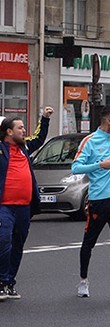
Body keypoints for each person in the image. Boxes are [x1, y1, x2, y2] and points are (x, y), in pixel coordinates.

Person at [0, 103, 52, 286]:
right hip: (2, 206)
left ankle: (10, 281)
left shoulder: (25, 147)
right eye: (20, 128)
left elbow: (39, 138)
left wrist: (45, 118)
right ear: (9, 132)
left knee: (18, 245)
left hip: (24, 207)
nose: (24, 131)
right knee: (3, 241)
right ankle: (2, 282)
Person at [73, 107, 110, 298]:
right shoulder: (90, 141)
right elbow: (75, 168)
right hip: (99, 200)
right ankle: (83, 281)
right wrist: (99, 165)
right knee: (89, 243)